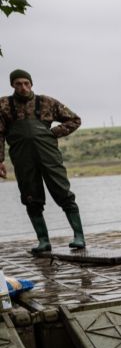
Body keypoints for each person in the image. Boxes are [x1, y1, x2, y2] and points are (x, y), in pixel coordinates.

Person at [0, 69, 86, 254]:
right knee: (31, 198)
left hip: (49, 155)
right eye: (18, 84)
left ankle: (79, 236)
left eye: (26, 83)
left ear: (31, 84)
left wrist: (54, 132)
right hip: (22, 158)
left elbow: (75, 120)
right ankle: (43, 241)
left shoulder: (46, 102)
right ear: (12, 85)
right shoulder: (3, 105)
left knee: (63, 193)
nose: (23, 87)